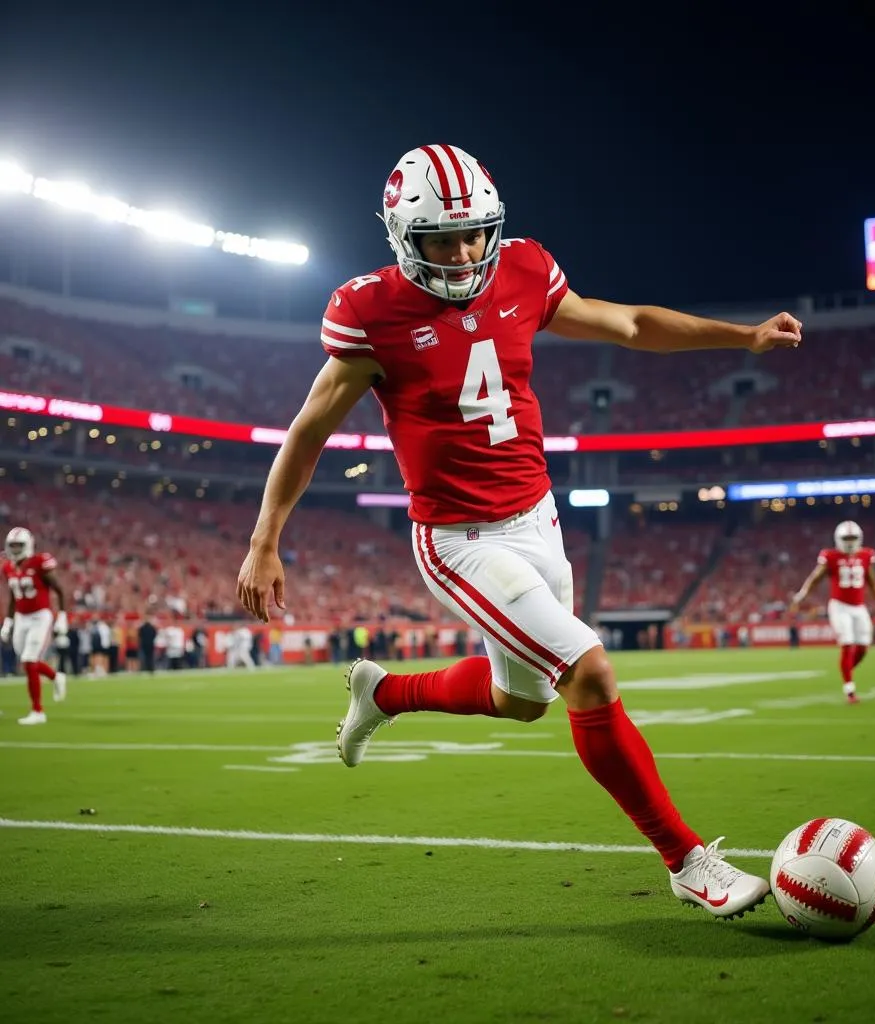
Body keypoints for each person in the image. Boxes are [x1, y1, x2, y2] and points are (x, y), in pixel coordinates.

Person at [237, 143, 803, 919]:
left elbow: (632, 324)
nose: (466, 251)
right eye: (445, 238)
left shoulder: (526, 269)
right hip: (460, 539)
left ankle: (385, 691)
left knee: (523, 702)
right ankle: (686, 860)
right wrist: (265, 539)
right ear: (404, 236)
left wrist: (740, 338)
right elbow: (308, 431)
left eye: (476, 233)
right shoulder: (370, 311)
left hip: (538, 516)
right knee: (591, 676)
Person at [789, 520, 875, 703]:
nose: (849, 542)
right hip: (839, 606)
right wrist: (801, 595)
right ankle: (849, 689)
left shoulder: (866, 555)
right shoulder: (831, 556)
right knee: (847, 644)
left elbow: (873, 582)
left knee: (863, 647)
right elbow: (815, 577)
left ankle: (847, 670)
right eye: (846, 538)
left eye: (852, 538)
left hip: (859, 606)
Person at [1, 527, 69, 724]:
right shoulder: (8, 567)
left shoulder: (39, 562)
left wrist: (62, 616)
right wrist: (8, 622)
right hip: (21, 617)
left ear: (28, 545)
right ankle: (56, 677)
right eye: (12, 545)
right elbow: (14, 597)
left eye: (18, 545)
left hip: (41, 616)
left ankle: (38, 711)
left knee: (30, 660)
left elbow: (59, 589)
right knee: (26, 662)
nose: (15, 549)